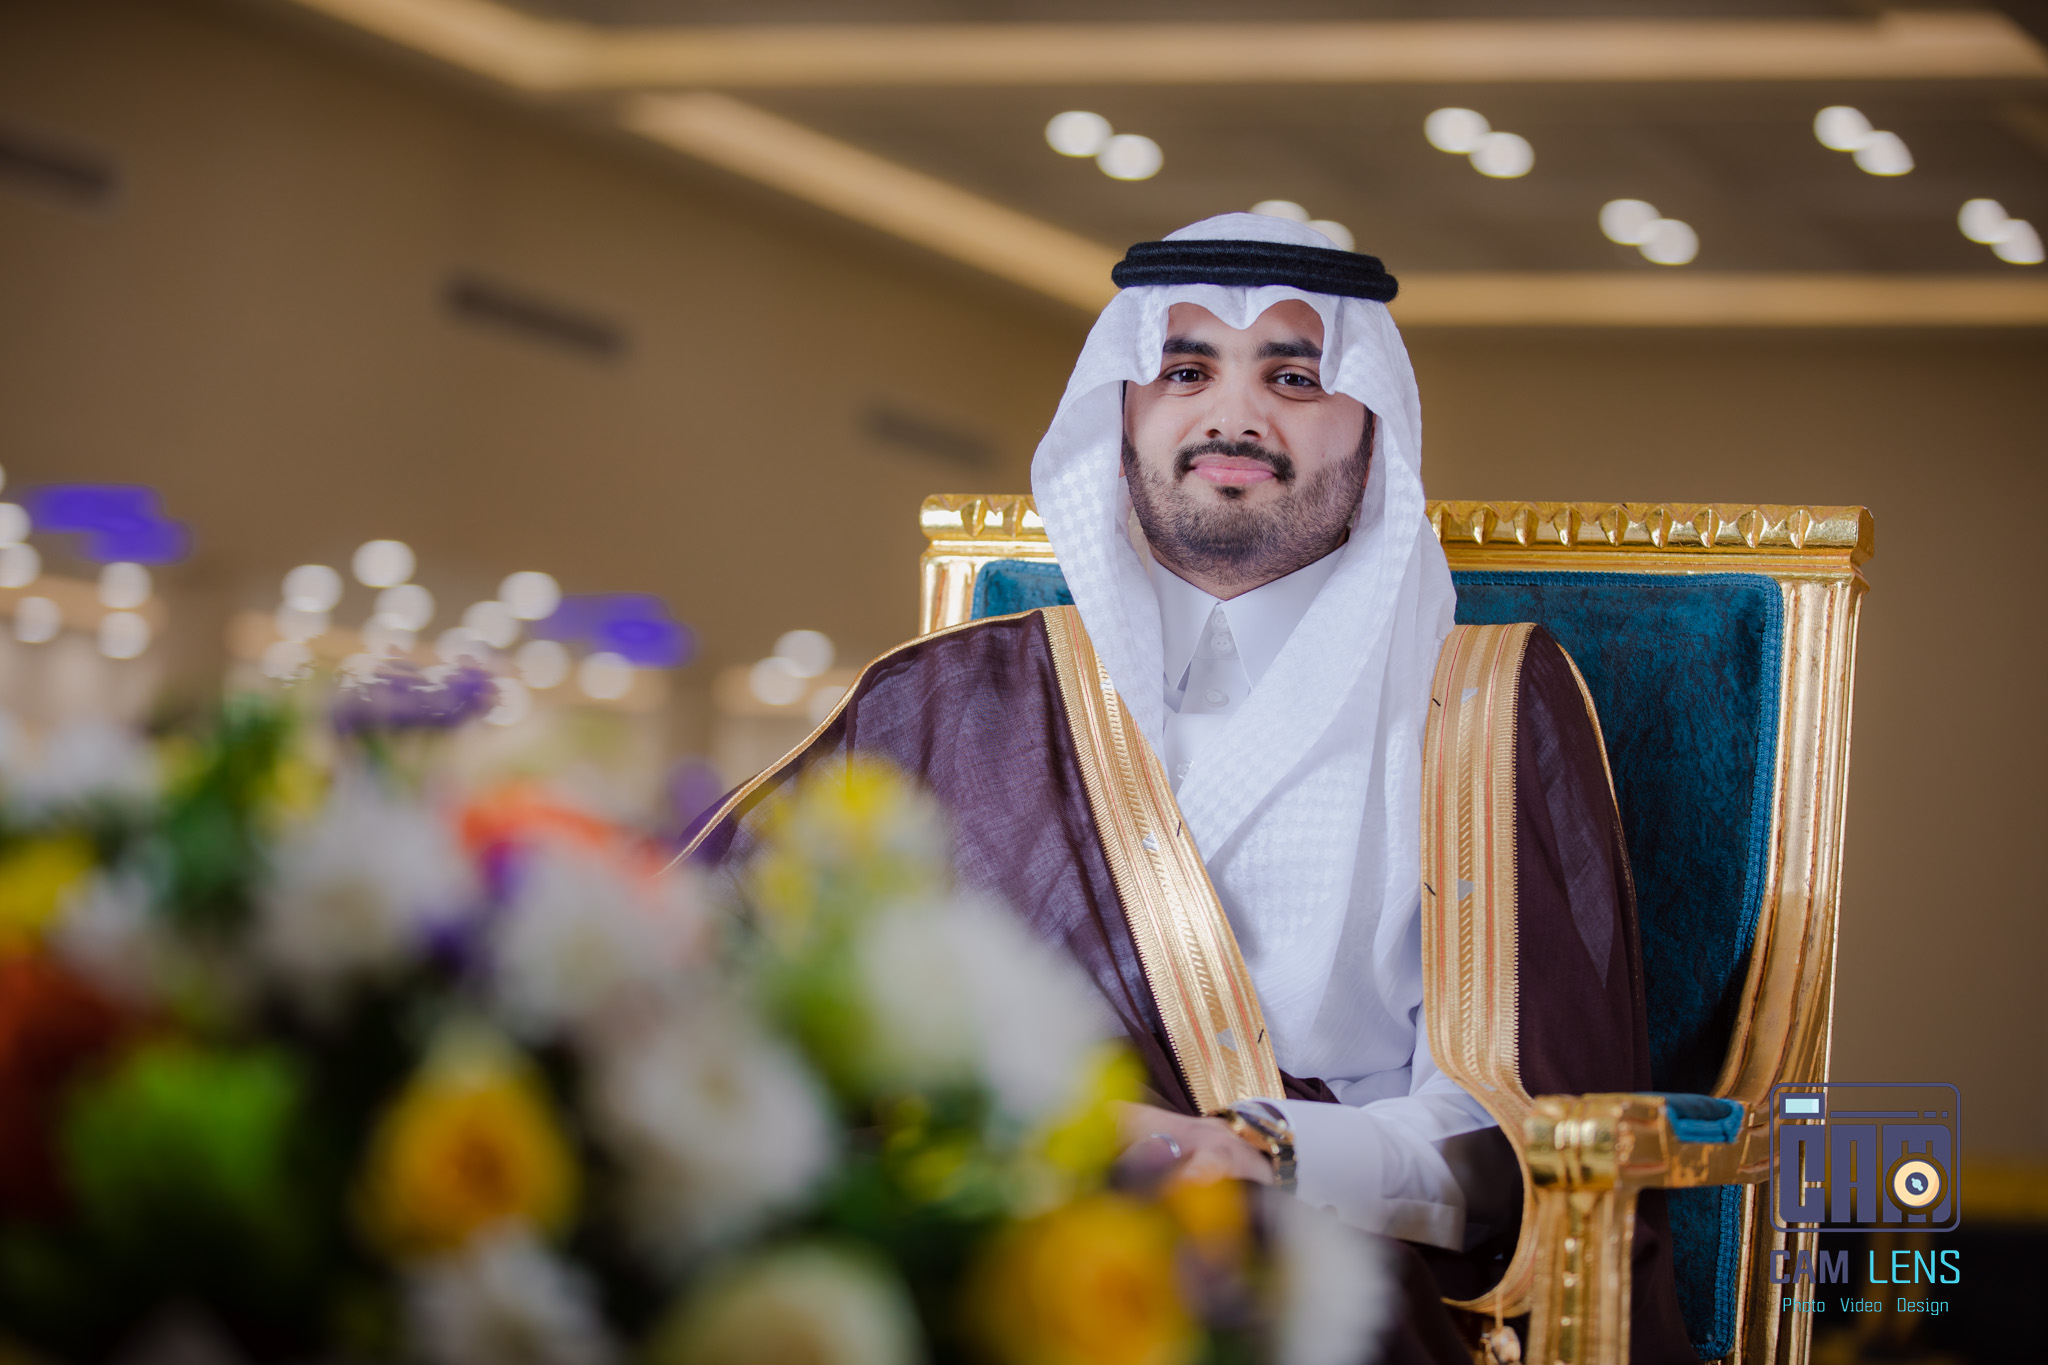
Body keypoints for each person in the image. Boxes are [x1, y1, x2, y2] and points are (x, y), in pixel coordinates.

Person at [684, 213, 1691, 1363]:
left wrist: (1257, 1154)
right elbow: (710, 969)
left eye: (1292, 376)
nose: (1234, 415)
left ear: (1372, 427)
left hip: (1303, 1279)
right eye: (1184, 370)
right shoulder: (947, 699)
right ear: (1121, 411)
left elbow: (1520, 1128)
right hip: (968, 1246)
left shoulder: (1481, 704)